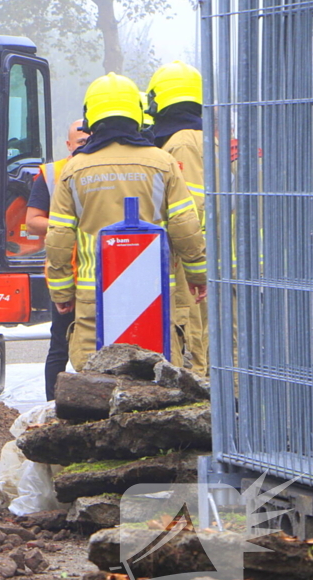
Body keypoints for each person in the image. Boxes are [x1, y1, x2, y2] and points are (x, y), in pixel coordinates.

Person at [45, 72, 207, 371]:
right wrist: (198, 274)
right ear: (138, 113)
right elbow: (186, 225)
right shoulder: (163, 163)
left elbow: (58, 237)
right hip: (155, 292)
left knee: (97, 381)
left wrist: (62, 292)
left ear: (90, 116)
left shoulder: (74, 169)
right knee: (157, 380)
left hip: (95, 295)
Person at [146, 60, 209, 376]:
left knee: (192, 326)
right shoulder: (202, 134)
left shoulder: (182, 141)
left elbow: (191, 207)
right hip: (203, 251)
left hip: (190, 254)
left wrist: (186, 252)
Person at [25, 119, 87, 400]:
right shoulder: (51, 174)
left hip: (97, 273)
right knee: (59, 345)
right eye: (80, 142)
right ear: (69, 145)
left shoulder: (101, 170)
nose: (85, 146)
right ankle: (52, 407)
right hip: (66, 272)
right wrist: (66, 225)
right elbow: (32, 222)